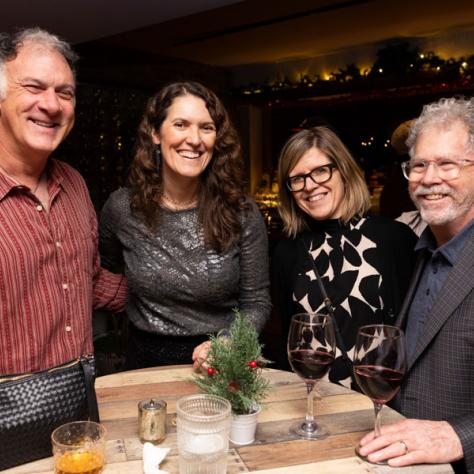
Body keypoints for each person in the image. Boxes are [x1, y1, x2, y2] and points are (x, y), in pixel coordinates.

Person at [99, 81, 270, 369]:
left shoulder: (242, 212)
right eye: (181, 124)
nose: (194, 139)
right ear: (155, 133)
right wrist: (104, 341)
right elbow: (101, 274)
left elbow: (257, 303)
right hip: (143, 365)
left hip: (219, 364)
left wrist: (228, 343)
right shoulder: (122, 208)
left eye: (206, 127)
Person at [0, 27, 126, 374]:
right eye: (34, 87)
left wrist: (170, 289)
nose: (52, 105)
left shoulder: (73, 183)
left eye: (65, 92)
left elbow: (90, 279)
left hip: (78, 406)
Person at [358, 97, 474, 473]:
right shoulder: (421, 249)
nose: (429, 178)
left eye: (447, 164)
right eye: (419, 165)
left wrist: (460, 436)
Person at [272, 126, 417, 386]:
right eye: (297, 178)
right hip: (313, 404)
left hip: (379, 401)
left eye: (320, 171)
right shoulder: (286, 253)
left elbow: (415, 332)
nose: (310, 186)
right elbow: (286, 342)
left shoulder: (394, 239)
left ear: (343, 171)